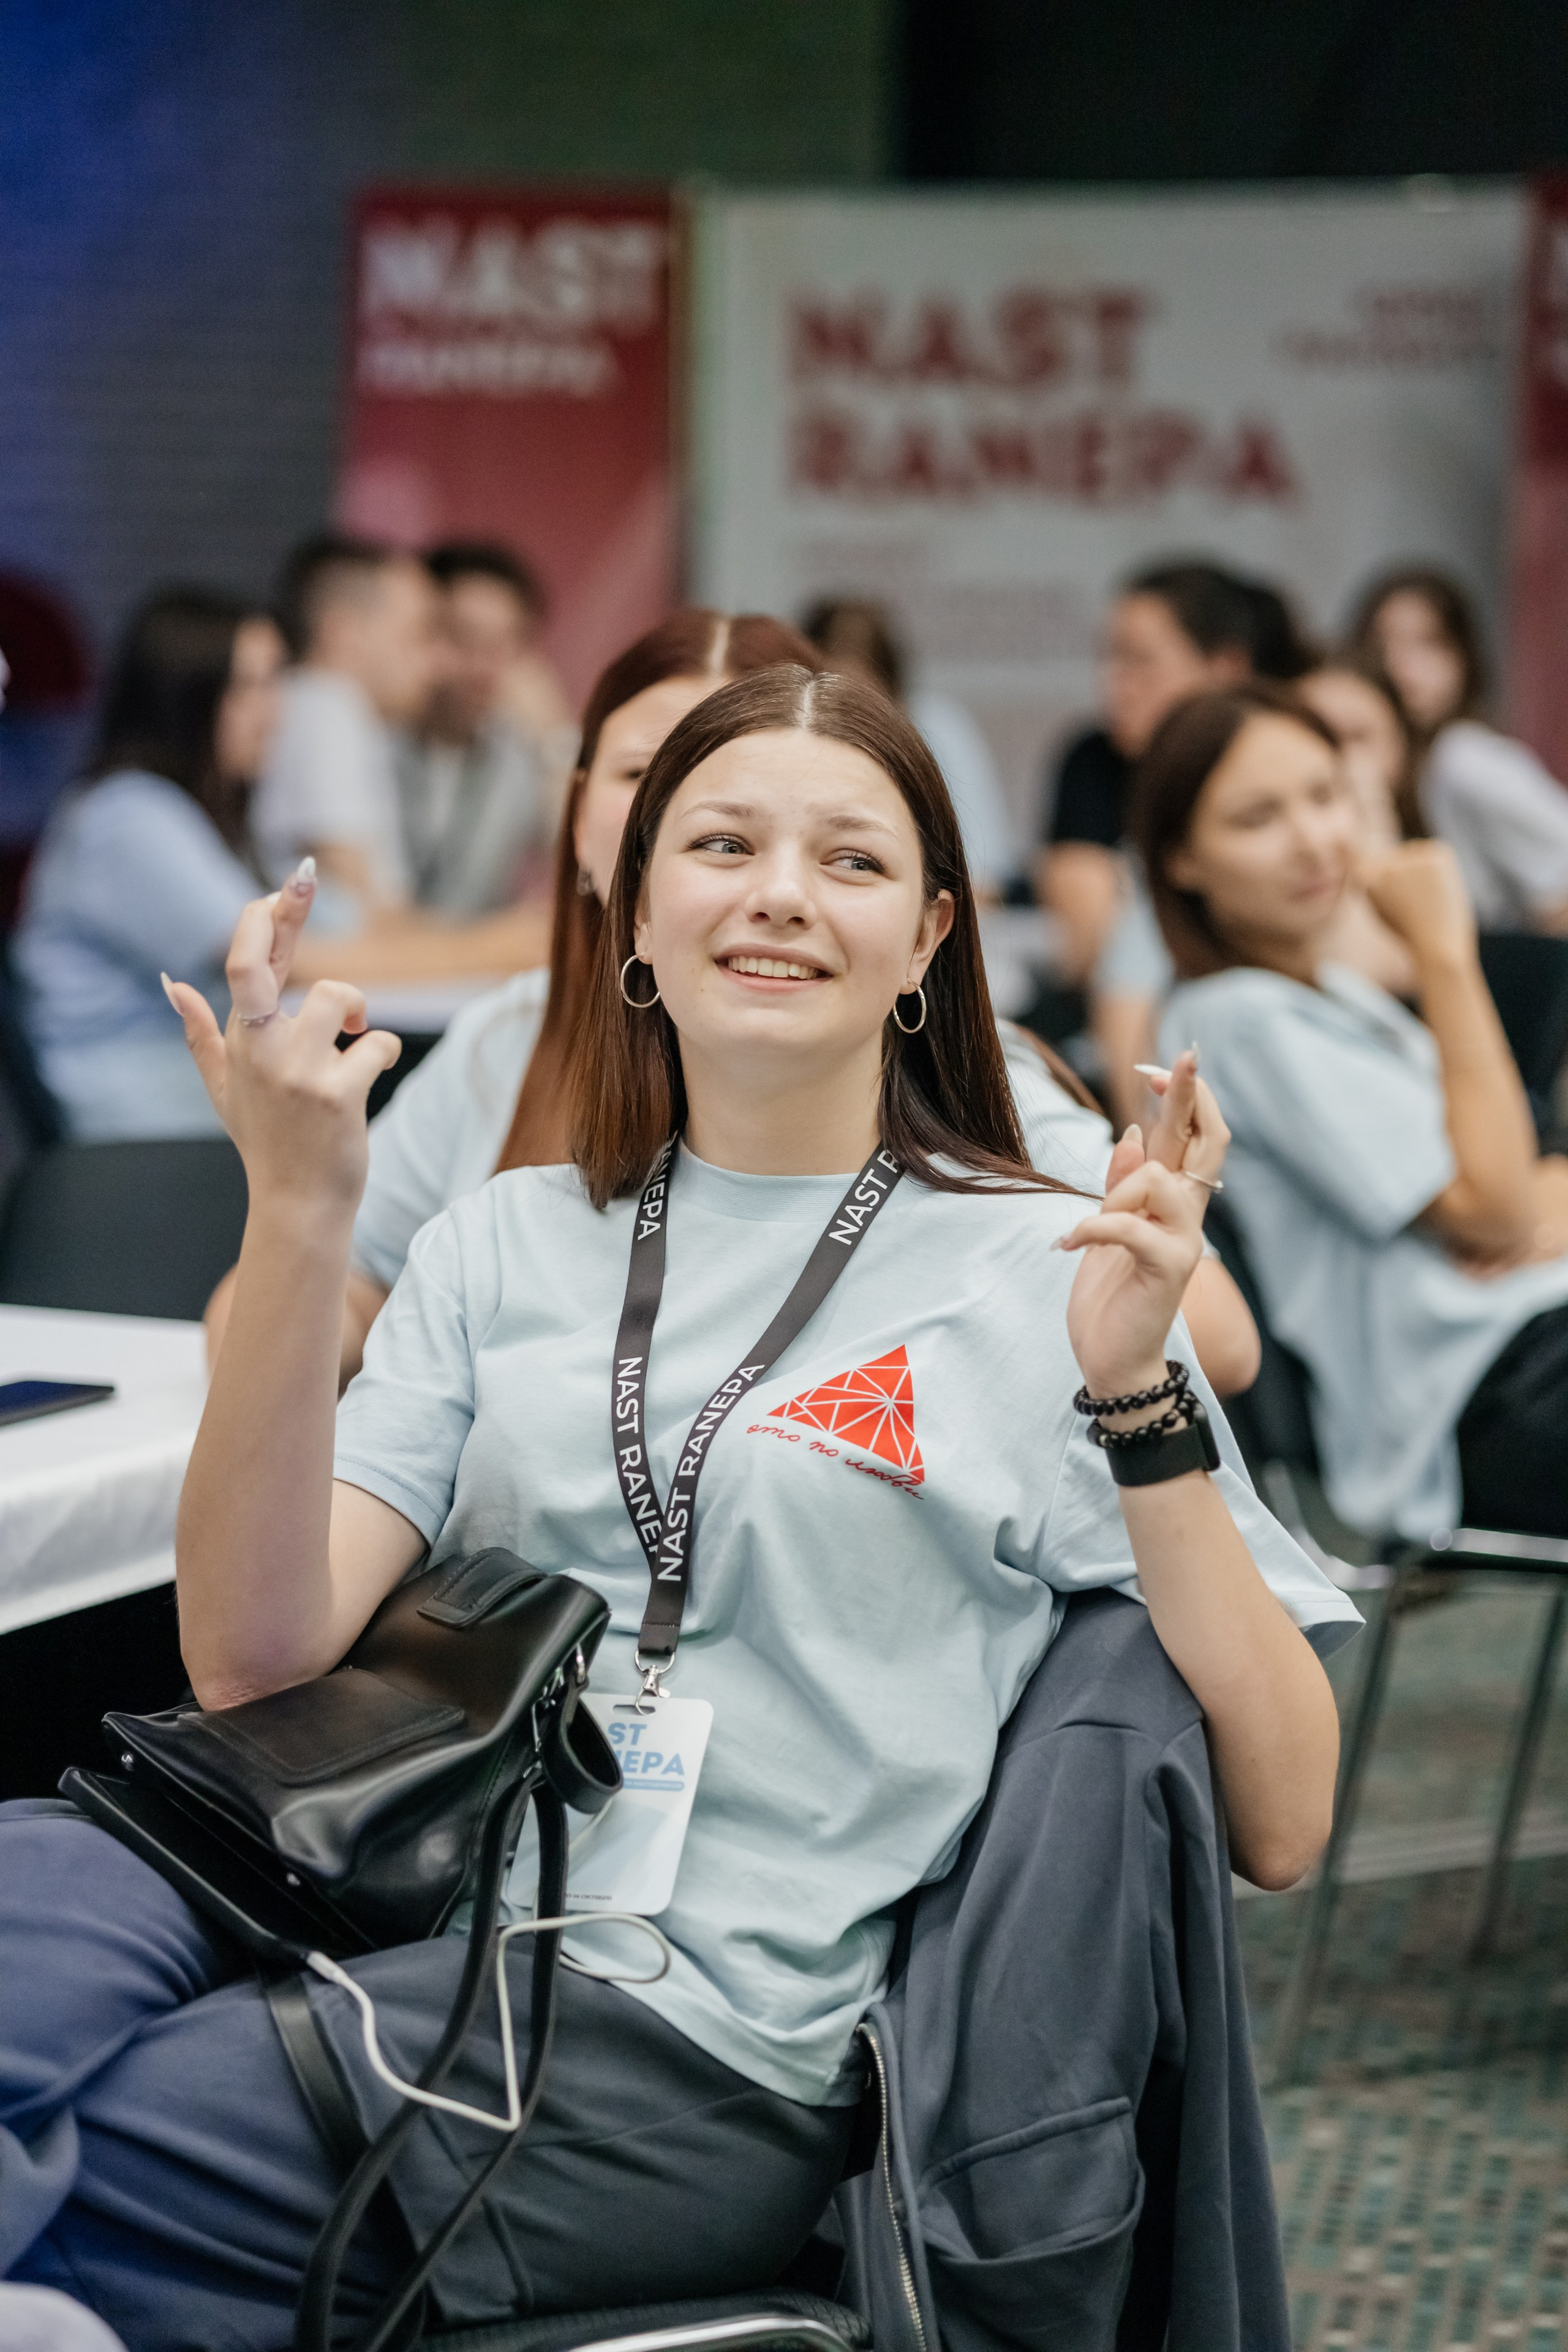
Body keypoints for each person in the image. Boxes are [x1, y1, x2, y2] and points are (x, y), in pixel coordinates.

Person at [4, 663, 1354, 2346]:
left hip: (686, 2040)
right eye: (721, 843)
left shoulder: (1043, 1274)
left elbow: (1288, 1817)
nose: (781, 893)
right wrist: (296, 1212)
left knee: (100, 2164)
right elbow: (254, 1655)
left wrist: (1136, 1396)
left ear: (932, 943)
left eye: (851, 862)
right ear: (636, 910)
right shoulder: (505, 1240)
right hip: (369, 1884)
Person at [205, 611, 1259, 1398]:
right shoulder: (504, 1048)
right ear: (578, 820)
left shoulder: (926, 1060)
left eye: (822, 841)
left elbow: (1205, 1335)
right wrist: (304, 1221)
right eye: (641, 776)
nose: (768, 884)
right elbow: (304, 1310)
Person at [1134, 680, 1568, 1542]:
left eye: (1326, 795)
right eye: (1259, 819)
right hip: (1486, 1396)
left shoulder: (1324, 994)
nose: (1315, 841)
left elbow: (1518, 1174)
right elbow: (1498, 1208)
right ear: (1182, 859)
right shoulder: (1239, 1018)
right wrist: (1443, 952)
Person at [12, 590, 289, 1137]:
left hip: (185, 1088)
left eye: (277, 683)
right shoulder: (127, 815)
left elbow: (335, 923)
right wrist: (490, 947)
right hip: (136, 1112)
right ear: (186, 696)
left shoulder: (204, 812)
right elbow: (273, 957)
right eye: (250, 687)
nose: (274, 710)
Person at [1349, 565, 1568, 934]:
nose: (1402, 666)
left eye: (1428, 643)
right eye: (1383, 644)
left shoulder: (1464, 758)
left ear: (1464, 657)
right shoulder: (1402, 764)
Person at [396, 541, 575, 916]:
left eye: (505, 644)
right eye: (466, 638)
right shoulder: (378, 738)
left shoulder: (518, 754)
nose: (485, 667)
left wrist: (555, 740)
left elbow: (588, 870)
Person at [799, 595, 1018, 897]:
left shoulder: (940, 730)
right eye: (829, 696)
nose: (845, 722)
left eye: (862, 700)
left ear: (895, 696)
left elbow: (984, 882)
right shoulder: (788, 740)